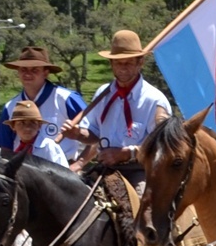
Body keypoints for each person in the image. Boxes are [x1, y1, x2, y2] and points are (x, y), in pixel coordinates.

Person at [65, 30, 173, 183]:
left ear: (140, 62)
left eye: (128, 62)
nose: (123, 68)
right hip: (103, 168)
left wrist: (126, 154)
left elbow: (162, 147)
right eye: (118, 63)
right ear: (111, 64)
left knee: (143, 205)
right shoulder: (103, 93)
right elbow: (94, 133)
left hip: (138, 171)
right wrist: (77, 133)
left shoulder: (155, 101)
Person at [0, 46, 84, 165]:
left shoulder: (66, 99)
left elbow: (96, 134)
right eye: (23, 69)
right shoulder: (11, 106)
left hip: (64, 171)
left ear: (46, 72)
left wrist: (79, 164)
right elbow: (6, 149)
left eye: (34, 70)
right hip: (24, 172)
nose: (28, 74)